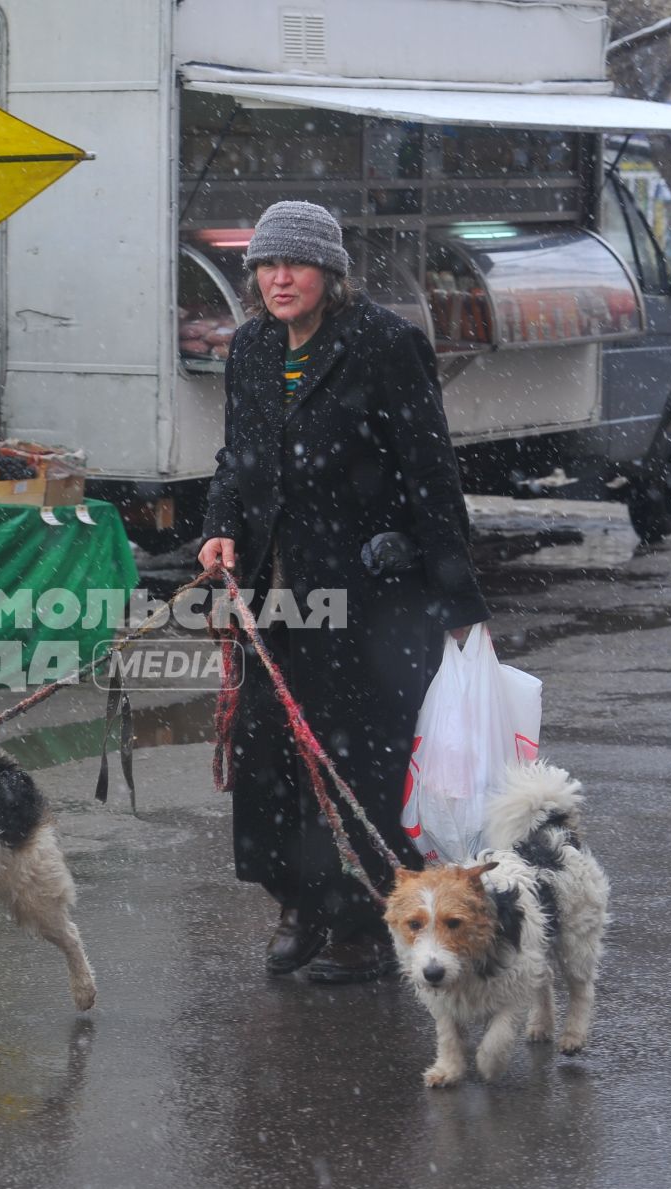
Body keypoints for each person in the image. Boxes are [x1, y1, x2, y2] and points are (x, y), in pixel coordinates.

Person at [198, 201, 490, 984]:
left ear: (331, 271)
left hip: (370, 593)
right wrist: (222, 522)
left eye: (295, 263)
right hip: (274, 592)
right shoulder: (253, 346)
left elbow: (432, 473)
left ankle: (362, 922)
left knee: (356, 759)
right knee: (268, 750)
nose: (278, 277)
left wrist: (456, 602)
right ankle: (296, 900)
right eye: (265, 264)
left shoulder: (386, 346)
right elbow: (238, 457)